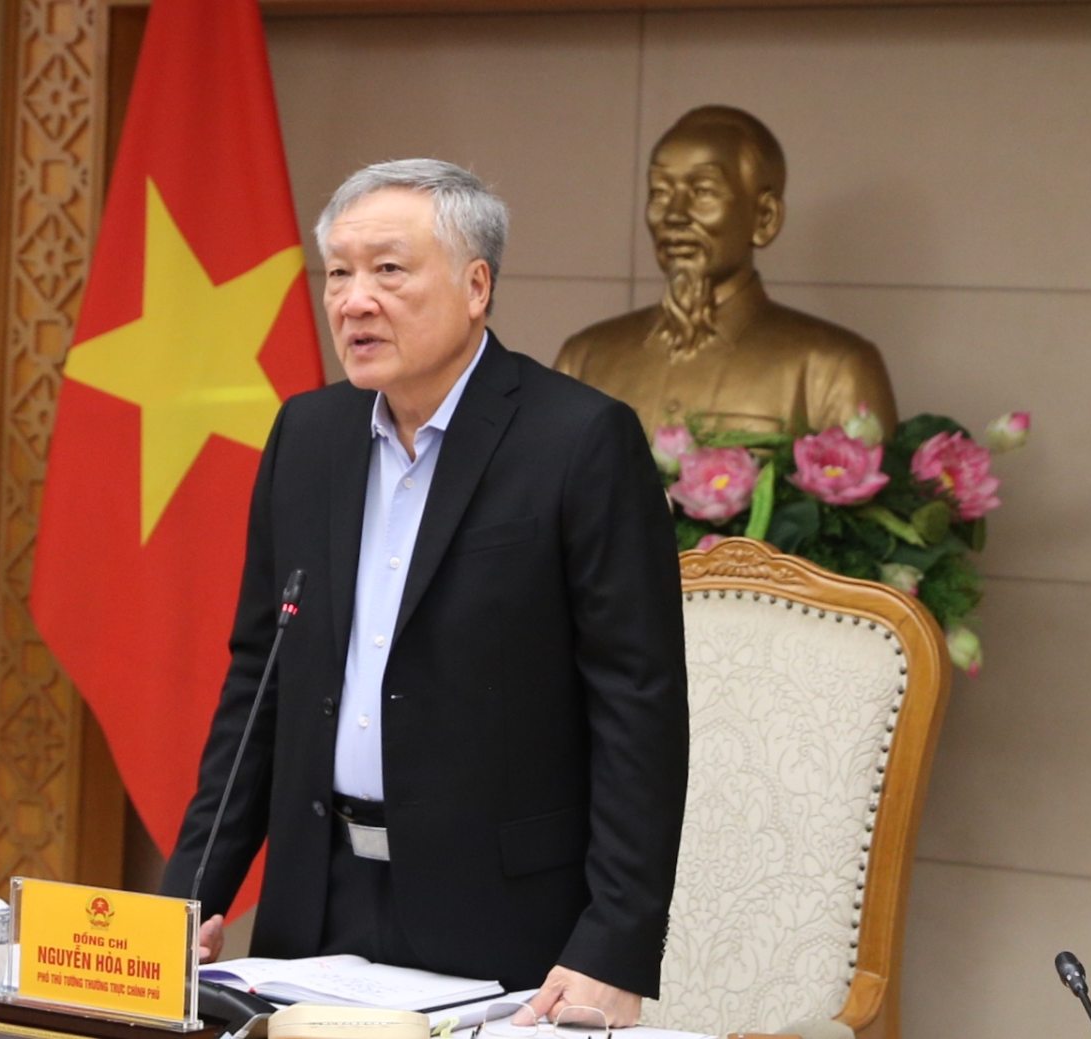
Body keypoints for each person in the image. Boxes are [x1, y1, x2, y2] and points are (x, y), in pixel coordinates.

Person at [160, 159, 689, 1026]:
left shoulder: (580, 440)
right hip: (313, 901)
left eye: (389, 270)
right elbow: (262, 681)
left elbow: (640, 708)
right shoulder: (309, 433)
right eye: (338, 272)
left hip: (503, 918)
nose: (354, 300)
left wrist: (613, 945)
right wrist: (187, 895)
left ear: (477, 285)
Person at [556, 105, 897, 438]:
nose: (674, 215)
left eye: (702, 191)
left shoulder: (836, 369)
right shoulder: (583, 359)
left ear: (765, 218)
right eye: (660, 192)